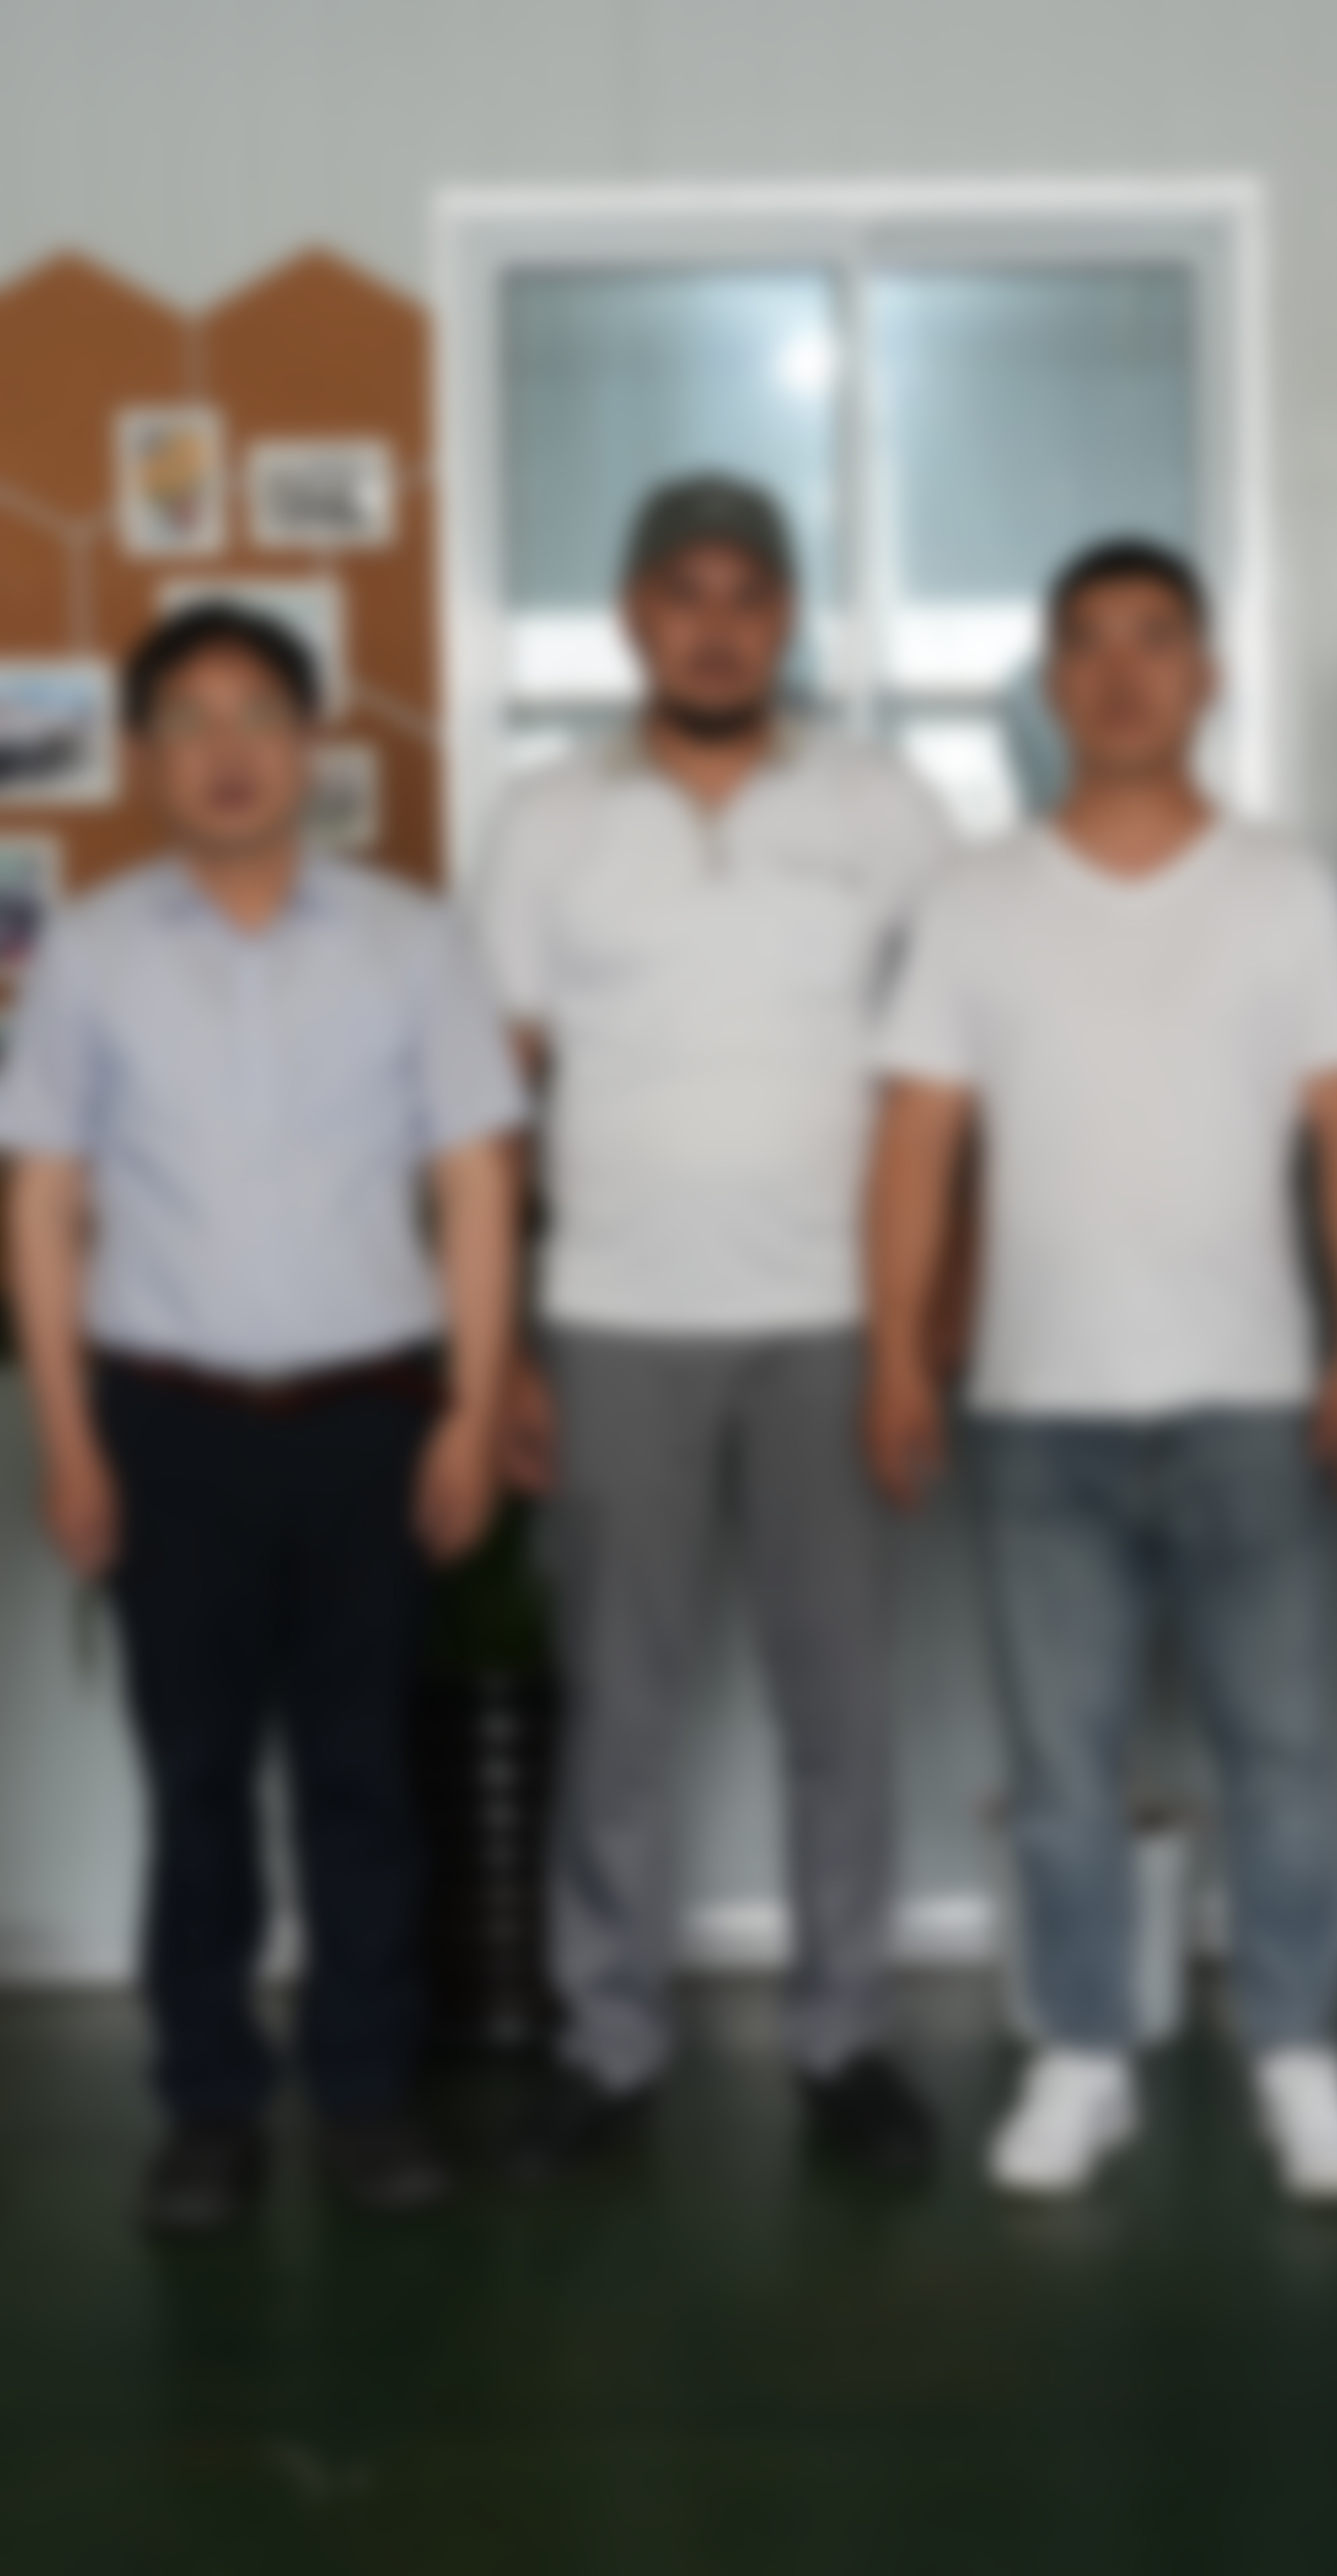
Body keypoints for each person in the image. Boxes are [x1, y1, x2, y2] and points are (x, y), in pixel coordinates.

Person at [866, 538, 1337, 2203]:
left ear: (1208, 675)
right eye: (1089, 644)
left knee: (1283, 1758)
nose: (1121, 672)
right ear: (1052, 684)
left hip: (1251, 1395)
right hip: (1039, 1406)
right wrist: (896, 1355)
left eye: (1156, 639)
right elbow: (919, 1141)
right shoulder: (976, 898)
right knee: (1062, 1768)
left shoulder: (1287, 889)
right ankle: (1082, 2059)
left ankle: (1299, 2059)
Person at [0, 605, 522, 2236]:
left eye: (257, 717)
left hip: (370, 1422)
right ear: (145, 756)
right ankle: (210, 2107)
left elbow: (477, 1181)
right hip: (169, 1430)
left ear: (312, 746)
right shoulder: (90, 952)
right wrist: (70, 1439)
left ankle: (366, 2095)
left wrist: (472, 1414)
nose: (226, 752)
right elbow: (44, 1198)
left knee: (362, 1777)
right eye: (190, 721)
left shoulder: (412, 942)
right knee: (198, 1783)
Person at [471, 475, 957, 2183]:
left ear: (789, 620)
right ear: (631, 616)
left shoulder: (884, 807)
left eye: (750, 595)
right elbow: (491, 1106)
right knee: (619, 1709)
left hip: (832, 1325)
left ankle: (845, 2041)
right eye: (683, 593)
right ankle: (608, 2049)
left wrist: (918, 1334)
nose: (718, 626)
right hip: (613, 1323)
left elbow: (947, 1083)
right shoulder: (547, 820)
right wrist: (502, 1352)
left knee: (843, 1708)